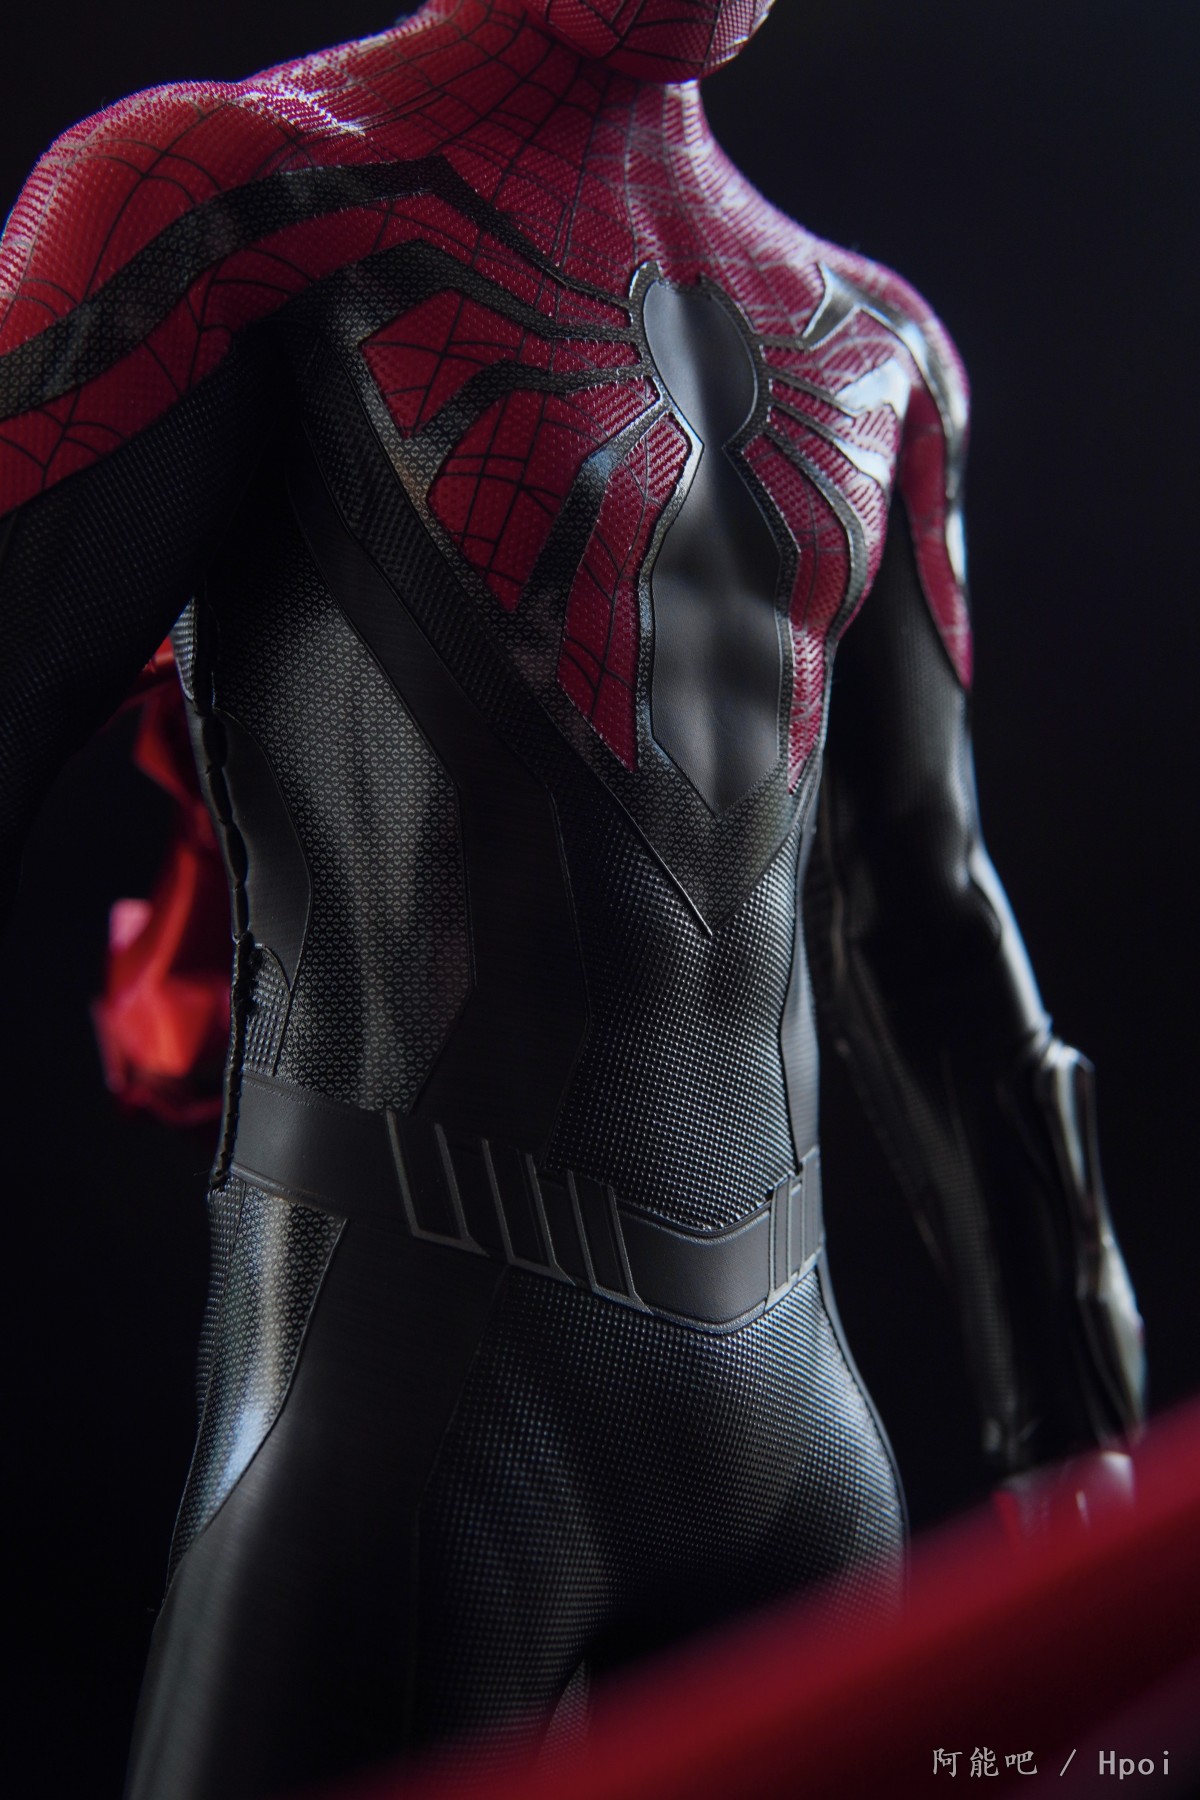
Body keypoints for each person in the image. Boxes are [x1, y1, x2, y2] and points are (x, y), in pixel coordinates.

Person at [0, 1, 1144, 1793]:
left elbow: (926, 913)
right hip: (415, 1409)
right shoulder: (236, 196)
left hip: (793, 1430)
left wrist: (1079, 1441)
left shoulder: (882, 349)